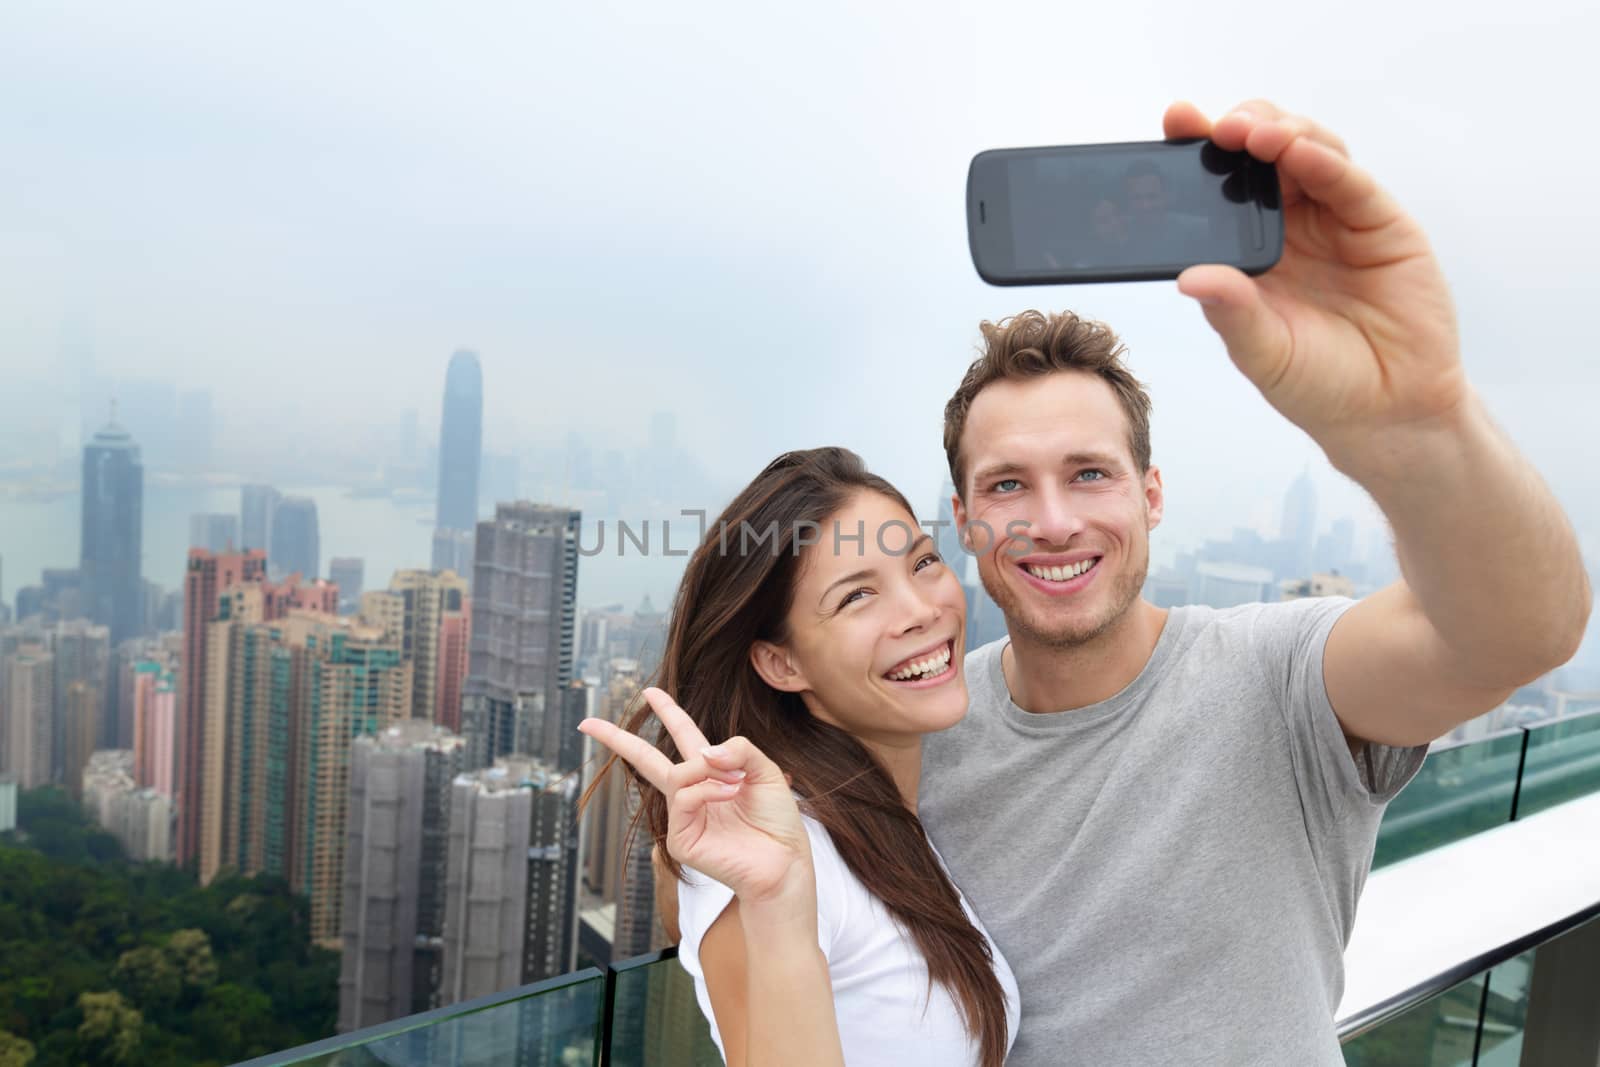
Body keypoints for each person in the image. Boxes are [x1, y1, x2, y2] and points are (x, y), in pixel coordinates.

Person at [913, 99, 1592, 1065]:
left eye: (1090, 473)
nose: (1054, 520)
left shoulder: (1280, 680)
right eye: (1009, 485)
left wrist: (1419, 421)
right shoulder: (923, 732)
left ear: (1151, 495)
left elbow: (1520, 632)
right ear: (966, 518)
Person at [579, 447, 1020, 1067]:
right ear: (781, 663)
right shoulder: (770, 860)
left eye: (923, 562)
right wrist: (774, 898)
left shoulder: (885, 820)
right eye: (856, 597)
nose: (922, 610)